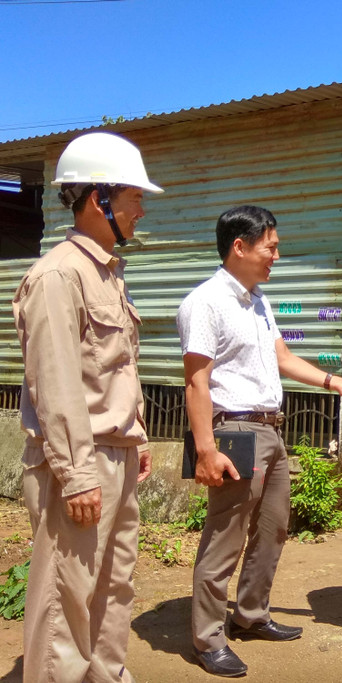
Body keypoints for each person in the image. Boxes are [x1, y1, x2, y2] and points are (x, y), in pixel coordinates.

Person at [176, 205, 342, 678]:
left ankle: (250, 613)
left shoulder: (257, 299)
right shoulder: (204, 302)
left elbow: (281, 355)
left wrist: (335, 382)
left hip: (270, 428)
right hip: (234, 431)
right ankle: (207, 638)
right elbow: (196, 382)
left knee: (273, 528)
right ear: (239, 247)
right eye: (271, 246)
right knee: (226, 536)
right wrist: (206, 449)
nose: (276, 256)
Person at [12, 131, 162, 683]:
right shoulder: (58, 275)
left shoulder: (107, 273)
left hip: (115, 452)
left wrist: (138, 435)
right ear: (100, 198)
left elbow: (116, 369)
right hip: (81, 459)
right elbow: (54, 385)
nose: (141, 210)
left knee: (113, 585)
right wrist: (76, 474)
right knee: (65, 596)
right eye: (135, 198)